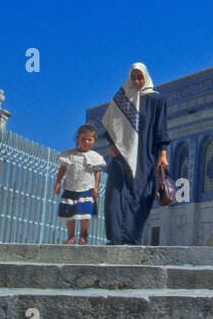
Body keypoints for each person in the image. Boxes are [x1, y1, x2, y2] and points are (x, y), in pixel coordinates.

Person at [101, 62, 169, 245]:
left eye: (140, 77)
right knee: (115, 198)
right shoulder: (123, 98)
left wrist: (163, 155)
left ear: (145, 77)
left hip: (144, 157)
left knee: (140, 197)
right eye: (134, 77)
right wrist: (112, 144)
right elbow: (110, 124)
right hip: (121, 157)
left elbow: (160, 129)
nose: (137, 81)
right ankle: (115, 238)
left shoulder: (156, 101)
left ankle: (132, 238)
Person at [54, 124, 106, 244]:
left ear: (93, 141)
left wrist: (96, 187)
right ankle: (71, 236)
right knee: (69, 214)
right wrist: (57, 183)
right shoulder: (69, 155)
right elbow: (62, 169)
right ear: (77, 139)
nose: (86, 142)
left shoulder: (95, 157)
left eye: (89, 140)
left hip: (86, 188)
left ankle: (83, 234)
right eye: (83, 139)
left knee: (84, 214)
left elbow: (97, 173)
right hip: (70, 188)